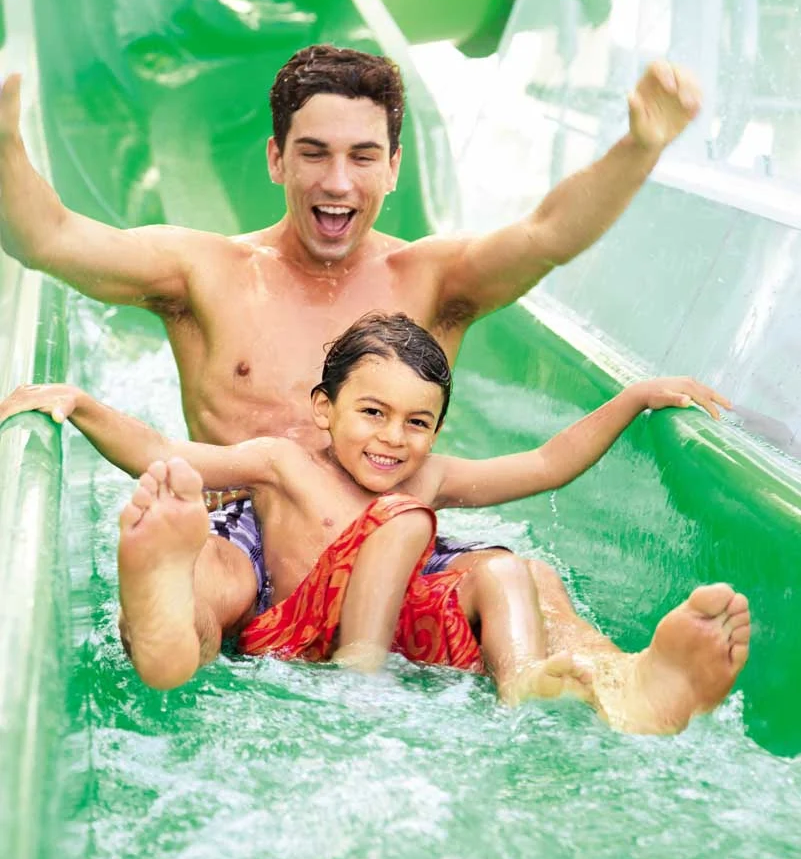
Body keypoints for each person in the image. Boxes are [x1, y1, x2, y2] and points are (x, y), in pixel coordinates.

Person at [0, 45, 703, 618]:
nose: (338, 181)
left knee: (532, 589)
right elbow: (48, 238)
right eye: (314, 153)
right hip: (245, 549)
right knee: (203, 584)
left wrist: (639, 146)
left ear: (393, 167)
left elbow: (547, 234)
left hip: (384, 546)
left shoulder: (434, 280)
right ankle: (164, 609)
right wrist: (3, 142)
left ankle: (617, 685)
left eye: (363, 156)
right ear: (277, 159)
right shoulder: (202, 273)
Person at [0, 313, 750, 733]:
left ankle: (602, 683)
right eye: (373, 412)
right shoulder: (284, 463)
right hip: (295, 631)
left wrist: (630, 400)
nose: (394, 438)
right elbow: (165, 451)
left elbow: (547, 463)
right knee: (227, 570)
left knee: (514, 572)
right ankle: (167, 615)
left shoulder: (432, 476)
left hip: (400, 637)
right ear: (324, 410)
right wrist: (84, 407)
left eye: (418, 422)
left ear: (438, 428)